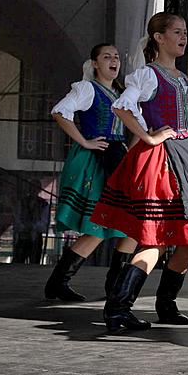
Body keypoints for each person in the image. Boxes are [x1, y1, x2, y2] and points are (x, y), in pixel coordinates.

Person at [91, 12, 188, 331]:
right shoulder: (147, 75)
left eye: (185, 32)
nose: (183, 37)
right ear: (159, 38)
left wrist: (186, 136)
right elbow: (122, 106)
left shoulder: (184, 81)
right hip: (160, 160)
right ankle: (118, 307)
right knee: (155, 238)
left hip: (185, 158)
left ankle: (166, 304)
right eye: (177, 32)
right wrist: (150, 136)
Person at [45, 44, 138, 301]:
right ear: (95, 63)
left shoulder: (122, 93)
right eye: (107, 57)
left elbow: (137, 125)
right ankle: (62, 282)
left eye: (117, 57)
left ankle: (112, 286)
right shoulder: (87, 89)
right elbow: (60, 112)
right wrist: (84, 141)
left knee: (125, 223)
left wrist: (129, 151)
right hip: (96, 160)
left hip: (117, 158)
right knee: (99, 224)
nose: (114, 61)